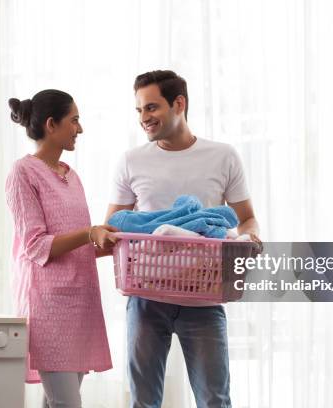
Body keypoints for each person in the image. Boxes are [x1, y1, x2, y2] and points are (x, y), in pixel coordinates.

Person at [105, 70, 260, 408]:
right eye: (140, 111)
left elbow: (246, 217)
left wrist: (250, 239)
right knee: (143, 402)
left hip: (204, 299)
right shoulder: (131, 161)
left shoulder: (223, 156)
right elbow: (112, 227)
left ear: (179, 104)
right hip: (146, 299)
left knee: (214, 400)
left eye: (151, 108)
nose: (144, 118)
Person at [5, 89, 118, 408]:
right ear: (52, 125)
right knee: (67, 404)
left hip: (80, 307)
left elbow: (76, 245)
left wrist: (107, 243)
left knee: (58, 402)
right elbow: (36, 246)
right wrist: (88, 233)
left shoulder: (73, 176)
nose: (79, 129)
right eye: (75, 120)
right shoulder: (23, 173)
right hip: (49, 310)